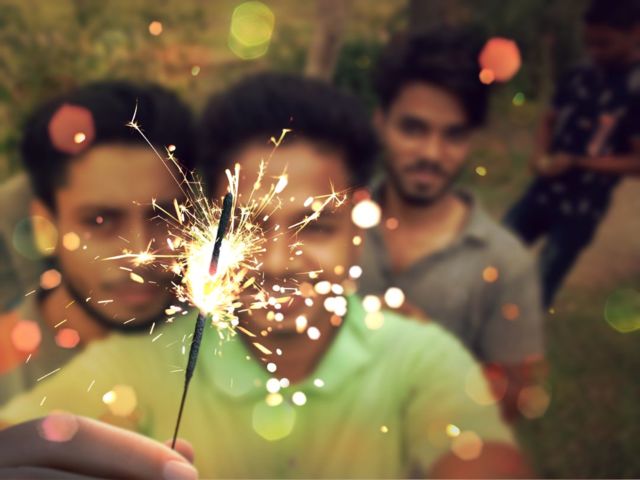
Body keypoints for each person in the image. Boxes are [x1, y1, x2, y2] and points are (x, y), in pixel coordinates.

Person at [0, 74, 531, 478]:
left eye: (314, 226)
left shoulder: (420, 357)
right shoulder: (144, 358)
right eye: (248, 227)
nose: (277, 262)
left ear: (358, 224)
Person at [356, 29, 545, 420]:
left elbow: (515, 402)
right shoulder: (327, 228)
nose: (431, 153)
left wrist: (436, 357)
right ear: (380, 123)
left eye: (453, 135)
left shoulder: (504, 262)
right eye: (413, 129)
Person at [0, 81, 196, 406]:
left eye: (164, 217)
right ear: (45, 226)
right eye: (100, 221)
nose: (141, 254)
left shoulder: (241, 348)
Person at [504, 0, 640, 307]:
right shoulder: (579, 73)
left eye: (604, 43)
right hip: (540, 193)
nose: (595, 51)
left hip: (581, 209)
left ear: (635, 32)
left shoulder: (635, 89)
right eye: (589, 43)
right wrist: (539, 154)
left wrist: (578, 163)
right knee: (493, 257)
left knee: (539, 286)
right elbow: (549, 118)